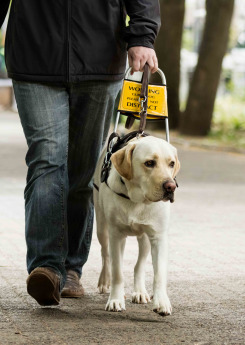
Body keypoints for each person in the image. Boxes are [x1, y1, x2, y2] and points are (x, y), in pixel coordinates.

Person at [0, 0, 160, 306]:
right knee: (47, 159)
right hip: (34, 56)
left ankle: (71, 267)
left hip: (100, 59)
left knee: (83, 170)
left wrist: (142, 37)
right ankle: (46, 266)